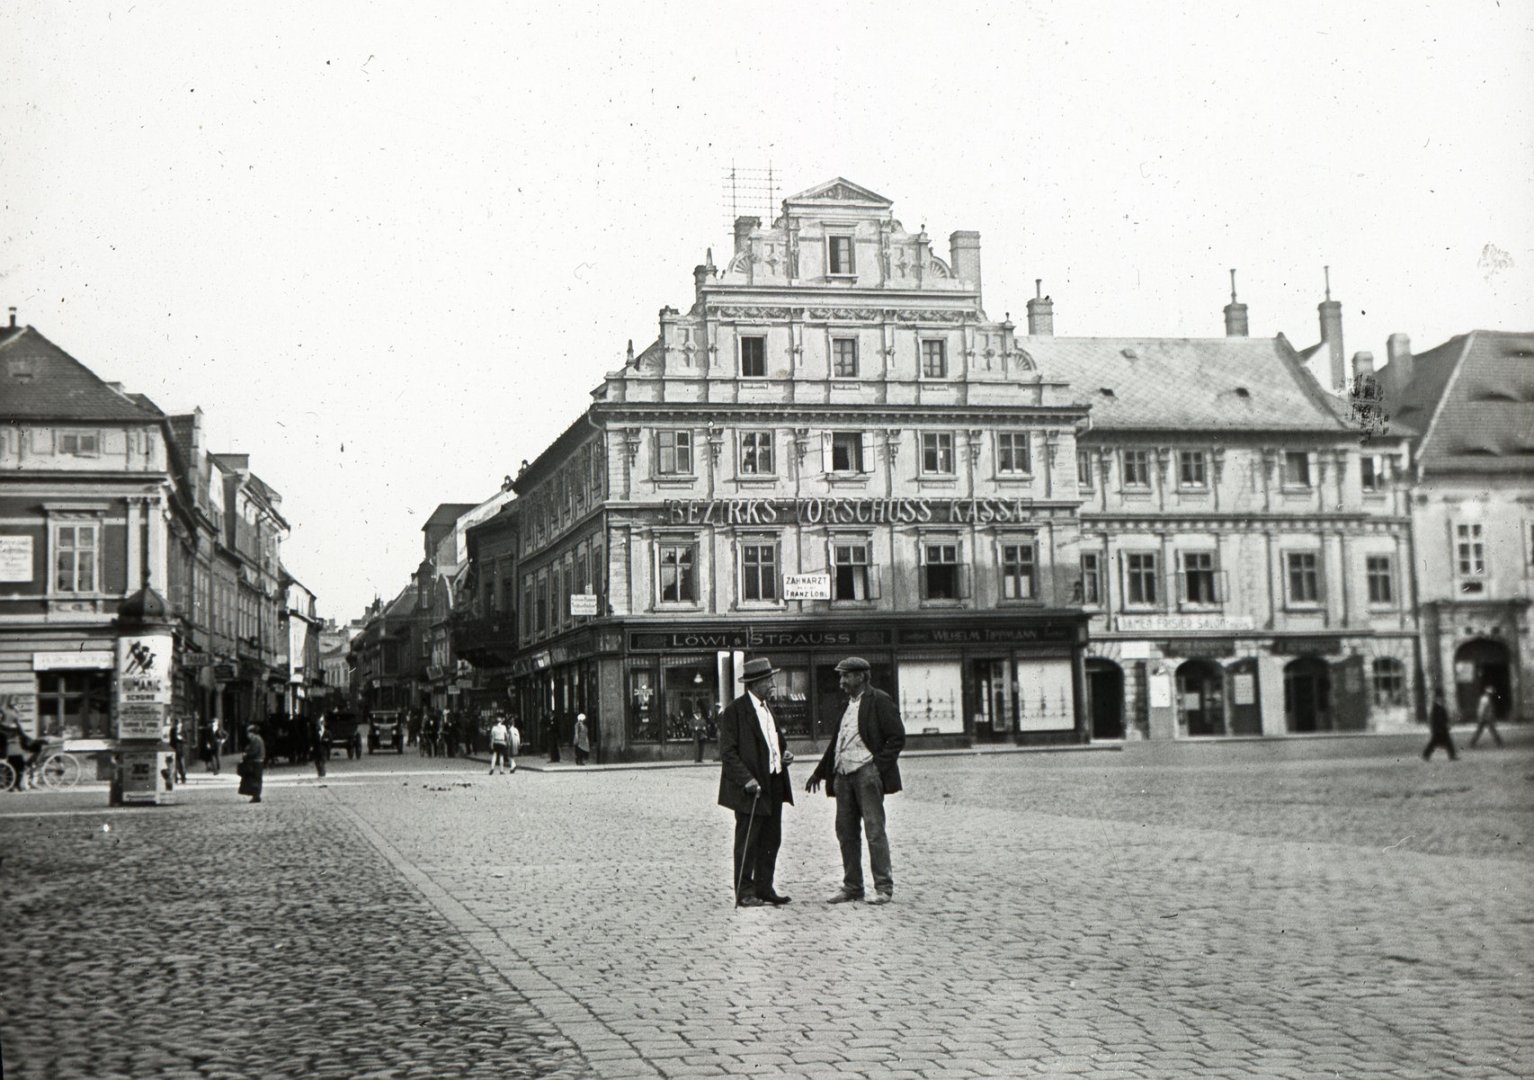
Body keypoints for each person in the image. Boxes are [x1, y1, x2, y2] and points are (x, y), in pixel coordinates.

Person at [807, 656, 906, 906]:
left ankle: (883, 887)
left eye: (845, 676)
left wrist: (876, 767)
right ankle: (852, 887)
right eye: (840, 676)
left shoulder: (880, 700)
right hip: (843, 776)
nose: (841, 681)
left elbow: (897, 737)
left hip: (866, 774)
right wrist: (820, 772)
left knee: (874, 830)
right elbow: (836, 744)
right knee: (846, 832)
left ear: (861, 676)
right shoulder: (848, 705)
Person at [717, 657, 795, 908]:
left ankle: (764, 887)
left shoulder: (767, 708)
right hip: (751, 787)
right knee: (748, 840)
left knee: (772, 838)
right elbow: (728, 753)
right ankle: (745, 892)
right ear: (756, 683)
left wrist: (783, 754)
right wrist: (747, 779)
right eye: (769, 680)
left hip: (773, 782)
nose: (773, 683)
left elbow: (773, 741)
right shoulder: (735, 712)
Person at [1, 697, 29, 792]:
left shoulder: (7, 711)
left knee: (13, 765)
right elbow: (18, 727)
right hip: (11, 744)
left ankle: (12, 785)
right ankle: (15, 785)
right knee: (19, 765)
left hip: (11, 743)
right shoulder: (11, 713)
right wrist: (26, 737)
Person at [1422, 686, 1457, 761]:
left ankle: (1426, 755)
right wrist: (1445, 724)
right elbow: (1438, 718)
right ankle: (1426, 754)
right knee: (1437, 742)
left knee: (1441, 742)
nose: (1441, 699)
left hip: (1440, 728)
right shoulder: (1436, 707)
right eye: (1440, 697)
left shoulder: (1438, 706)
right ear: (1438, 698)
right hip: (1439, 728)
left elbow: (1443, 717)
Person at [238, 723, 265, 803]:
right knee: (256, 779)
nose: (248, 735)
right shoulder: (257, 739)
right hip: (257, 761)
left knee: (255, 779)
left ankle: (256, 796)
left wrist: (246, 755)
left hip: (256, 762)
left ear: (252, 733)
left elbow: (254, 751)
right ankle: (256, 795)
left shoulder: (256, 739)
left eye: (249, 733)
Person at [168, 713, 189, 785]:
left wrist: (181, 738)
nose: (177, 725)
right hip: (174, 750)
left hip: (181, 751)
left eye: (178, 724)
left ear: (181, 724)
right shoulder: (172, 730)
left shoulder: (183, 731)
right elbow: (171, 741)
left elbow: (186, 740)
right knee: (175, 766)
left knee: (182, 766)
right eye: (176, 724)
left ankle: (183, 779)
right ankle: (175, 779)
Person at [311, 712, 328, 778]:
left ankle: (322, 772)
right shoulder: (314, 732)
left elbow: (329, 739)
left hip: (323, 748)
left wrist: (326, 741)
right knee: (317, 761)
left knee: (322, 761)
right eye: (319, 723)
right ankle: (320, 772)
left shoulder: (326, 731)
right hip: (316, 748)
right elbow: (312, 739)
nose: (320, 724)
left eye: (321, 722)